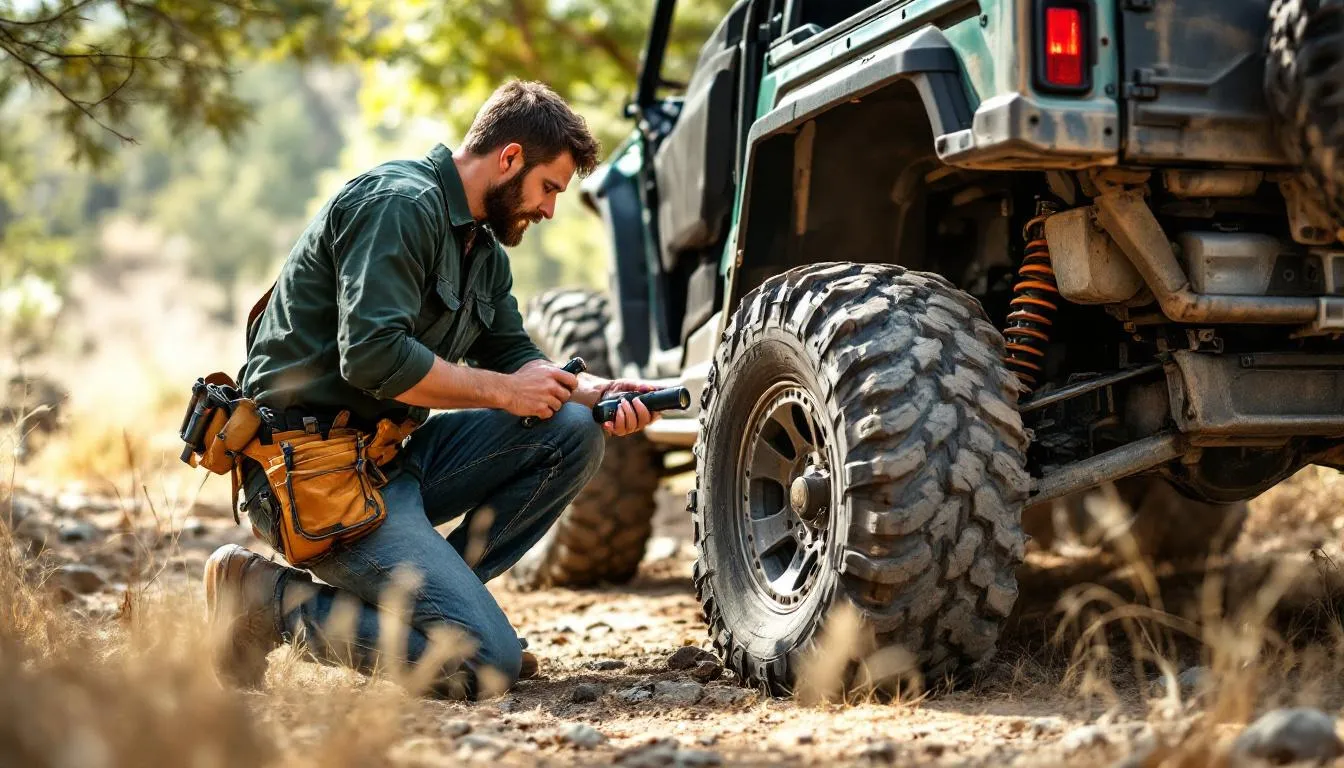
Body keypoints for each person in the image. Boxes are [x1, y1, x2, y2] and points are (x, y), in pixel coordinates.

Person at [202, 80, 659, 699]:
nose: (551, 209)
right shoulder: (400, 204)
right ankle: (268, 601)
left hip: (390, 463)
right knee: (485, 667)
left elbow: (514, 357)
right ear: (509, 158)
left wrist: (601, 391)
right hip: (313, 480)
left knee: (572, 430)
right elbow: (371, 356)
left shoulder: (482, 249)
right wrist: (503, 392)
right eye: (549, 187)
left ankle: (442, 606)